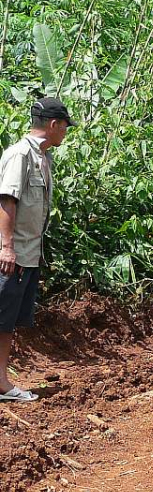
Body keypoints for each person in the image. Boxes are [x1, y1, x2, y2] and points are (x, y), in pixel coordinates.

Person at [0, 98, 76, 402]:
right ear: (54, 125)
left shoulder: (42, 158)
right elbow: (6, 202)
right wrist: (6, 248)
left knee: (7, 321)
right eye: (65, 127)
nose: (66, 133)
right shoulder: (19, 155)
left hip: (29, 254)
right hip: (12, 255)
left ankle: (2, 382)